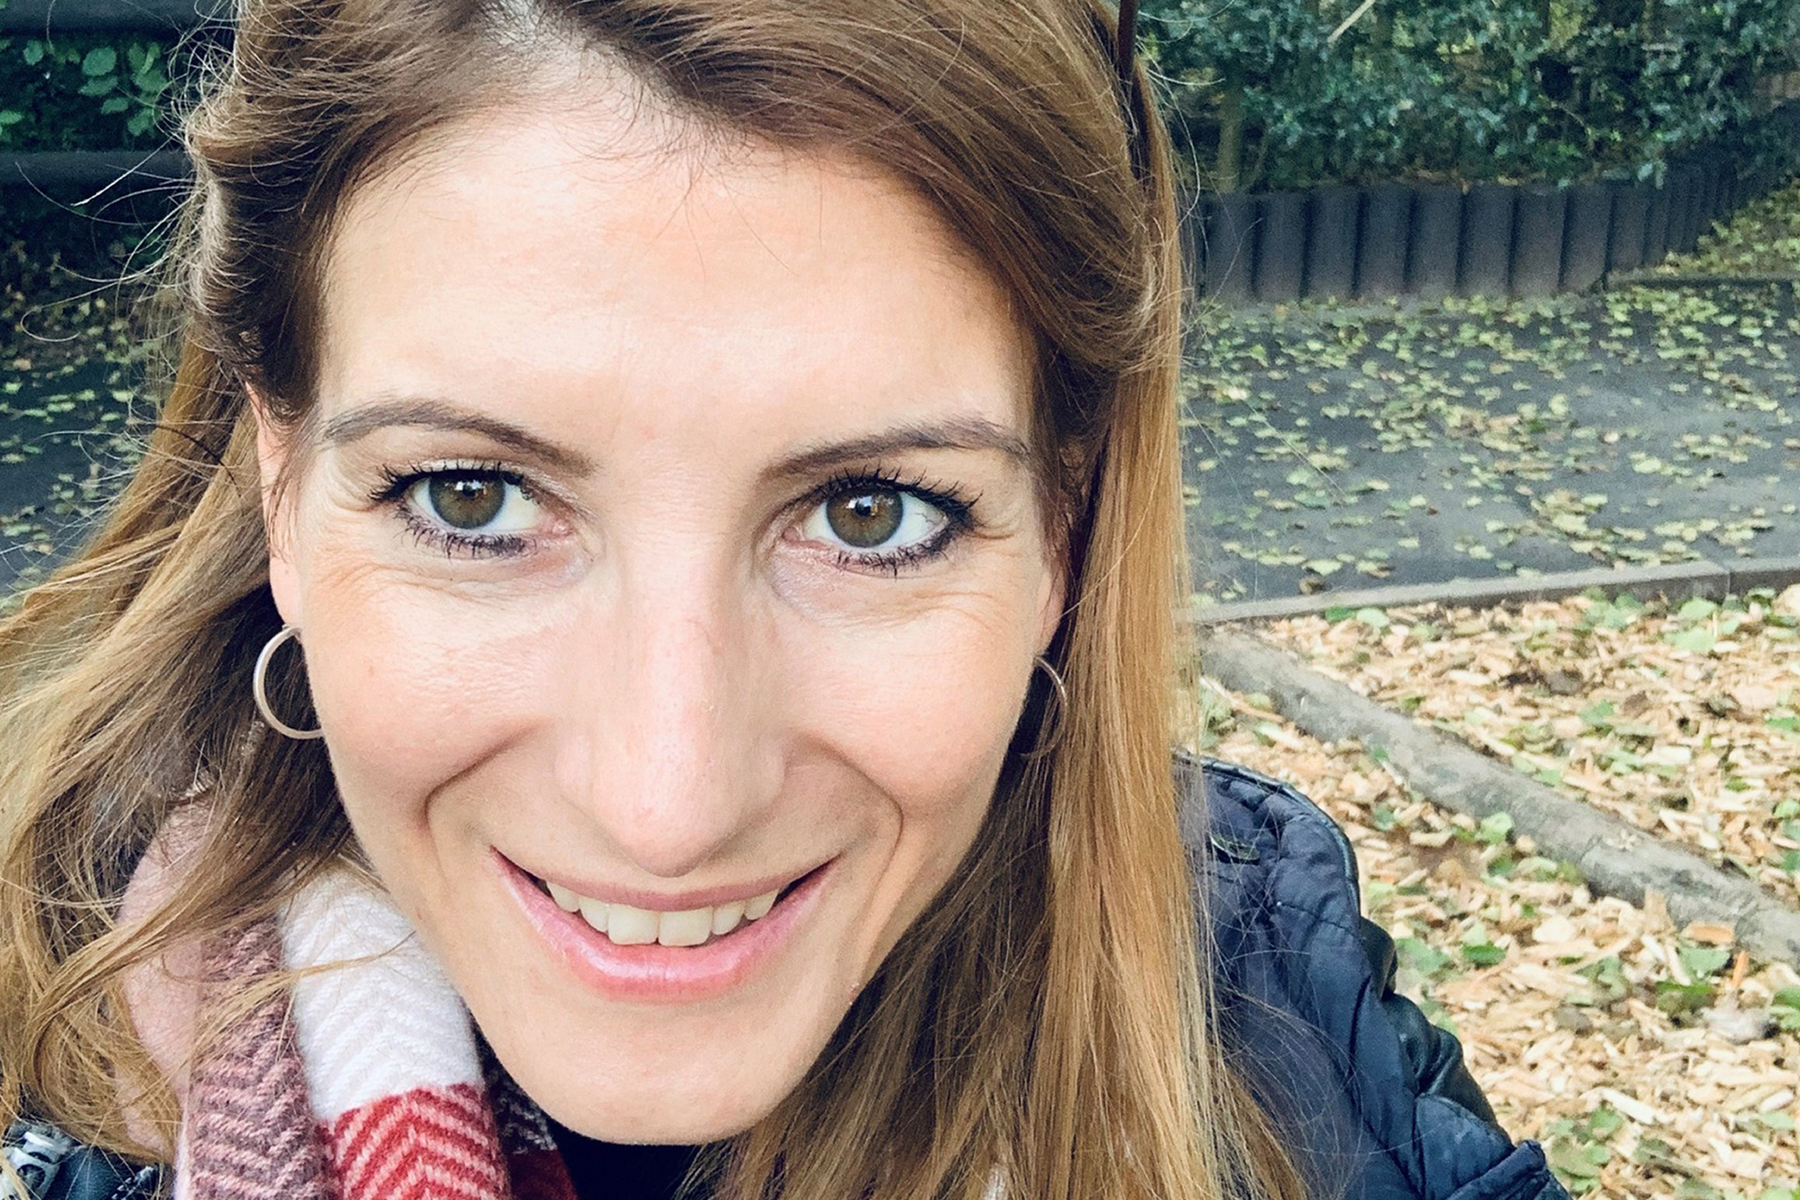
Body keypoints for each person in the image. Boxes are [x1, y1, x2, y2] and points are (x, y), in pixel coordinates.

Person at [0, 2, 1570, 1198]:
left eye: (868, 513)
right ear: (280, 484)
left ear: (1063, 534)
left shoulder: (1289, 1052)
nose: (668, 809)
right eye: (472, 498)